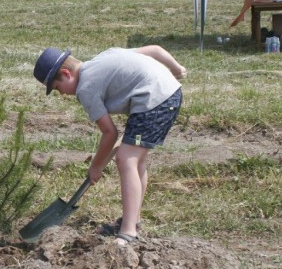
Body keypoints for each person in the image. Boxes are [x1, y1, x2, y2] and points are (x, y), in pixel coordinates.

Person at [33, 45, 186, 245]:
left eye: (57, 88)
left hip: (154, 100)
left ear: (66, 73)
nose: (62, 94)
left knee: (126, 160)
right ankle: (133, 220)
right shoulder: (105, 56)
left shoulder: (85, 89)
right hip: (167, 93)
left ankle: (128, 232)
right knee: (135, 161)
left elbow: (110, 133)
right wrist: (176, 69)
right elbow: (155, 50)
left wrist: (96, 166)